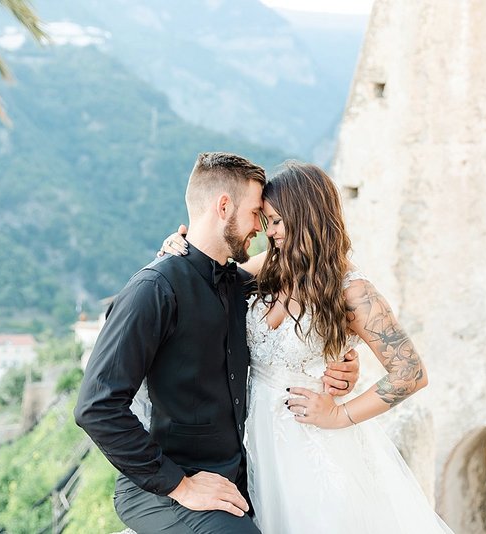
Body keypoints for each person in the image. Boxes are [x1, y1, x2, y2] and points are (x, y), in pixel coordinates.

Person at [74, 153, 359, 534]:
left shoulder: (239, 285)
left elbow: (307, 279)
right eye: (255, 213)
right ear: (223, 207)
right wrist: (179, 485)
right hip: (164, 487)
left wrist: (341, 363)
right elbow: (96, 407)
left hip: (240, 474)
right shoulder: (154, 289)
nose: (260, 227)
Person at [160, 162, 453, 533]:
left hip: (316, 443)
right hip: (258, 440)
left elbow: (410, 372)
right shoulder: (269, 267)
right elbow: (209, 280)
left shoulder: (353, 291)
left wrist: (340, 415)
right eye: (267, 221)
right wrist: (178, 249)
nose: (270, 232)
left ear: (307, 216)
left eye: (277, 221)